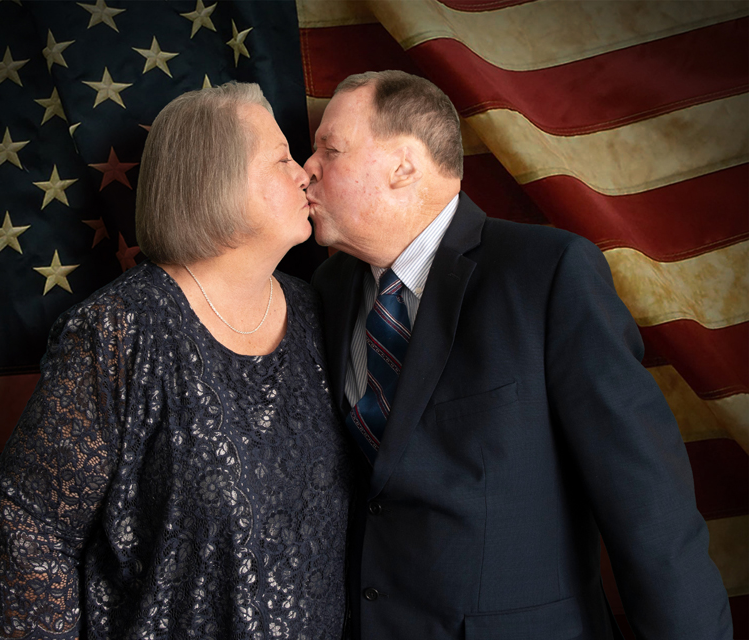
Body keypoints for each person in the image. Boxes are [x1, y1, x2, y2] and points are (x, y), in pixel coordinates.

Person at [305, 70, 732, 639]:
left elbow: (648, 506)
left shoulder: (547, 273)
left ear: (403, 166)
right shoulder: (327, 291)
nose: (307, 169)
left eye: (329, 150)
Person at [0, 83, 353, 639]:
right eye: (281, 160)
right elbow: (31, 524)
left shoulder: (317, 310)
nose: (304, 174)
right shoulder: (119, 329)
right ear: (216, 178)